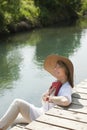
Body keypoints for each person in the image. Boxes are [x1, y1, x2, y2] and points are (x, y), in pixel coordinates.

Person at [0, 54, 74, 130]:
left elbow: (66, 100)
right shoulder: (57, 84)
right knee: (12, 119)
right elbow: (45, 100)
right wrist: (45, 96)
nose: (55, 69)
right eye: (55, 67)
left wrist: (50, 98)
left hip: (44, 119)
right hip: (41, 112)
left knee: (17, 103)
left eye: (59, 67)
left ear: (66, 70)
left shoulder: (66, 86)